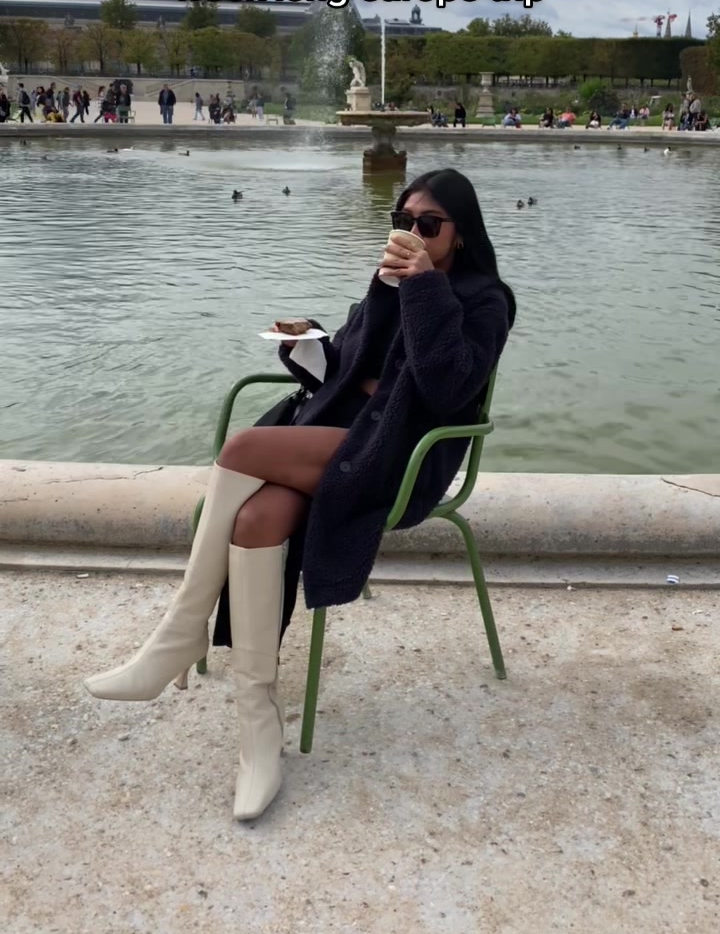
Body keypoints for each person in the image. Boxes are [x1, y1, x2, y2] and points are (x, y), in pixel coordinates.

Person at [84, 167, 516, 821]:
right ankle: (259, 736)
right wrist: (307, 343)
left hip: (400, 460)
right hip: (341, 440)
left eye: (429, 224)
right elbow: (343, 369)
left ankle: (179, 635)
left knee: (241, 448)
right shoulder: (387, 284)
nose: (413, 232)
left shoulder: (486, 300)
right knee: (255, 520)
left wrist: (425, 286)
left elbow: (448, 387)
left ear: (460, 233)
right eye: (403, 221)